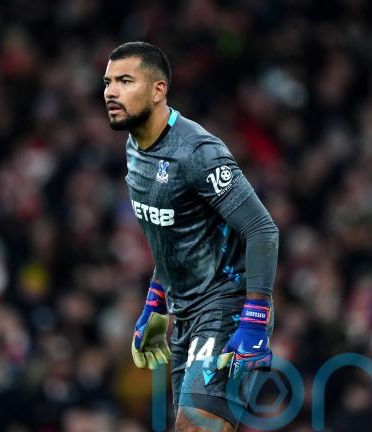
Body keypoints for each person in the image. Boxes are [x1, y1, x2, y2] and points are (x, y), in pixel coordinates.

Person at [103, 42, 279, 431]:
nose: (111, 92)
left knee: (195, 426)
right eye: (108, 82)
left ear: (158, 90)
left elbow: (261, 229)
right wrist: (155, 304)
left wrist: (254, 317)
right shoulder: (135, 150)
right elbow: (172, 240)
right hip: (185, 315)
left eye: (125, 81)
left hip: (226, 307)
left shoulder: (197, 152)